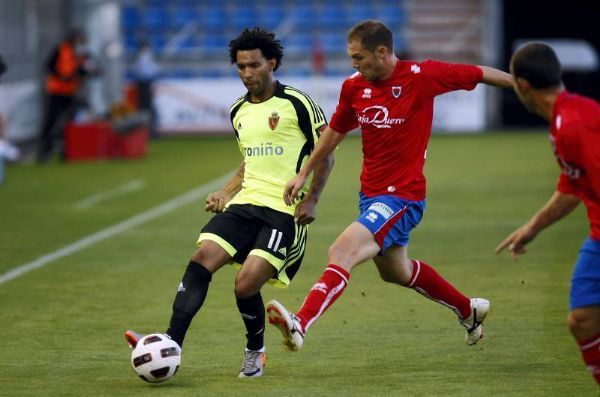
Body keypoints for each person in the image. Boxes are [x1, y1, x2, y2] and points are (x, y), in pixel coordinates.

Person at [266, 20, 514, 352]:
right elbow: (334, 133)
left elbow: (479, 72)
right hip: (371, 196)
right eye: (351, 58)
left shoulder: (422, 76)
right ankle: (469, 310)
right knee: (396, 271)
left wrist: (525, 88)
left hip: (404, 197)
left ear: (382, 53)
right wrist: (305, 178)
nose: (354, 65)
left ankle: (301, 323)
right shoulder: (354, 87)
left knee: (342, 250)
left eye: (359, 57)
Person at [124, 27, 334, 378]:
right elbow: (248, 161)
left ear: (272, 63)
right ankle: (171, 343)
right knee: (201, 257)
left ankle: (255, 350)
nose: (247, 73)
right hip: (245, 204)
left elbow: (325, 154)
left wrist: (311, 198)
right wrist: (226, 191)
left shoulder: (298, 103)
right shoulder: (238, 110)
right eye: (240, 67)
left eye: (253, 65)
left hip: (282, 211)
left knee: (246, 284)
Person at [495, 42, 600, 384]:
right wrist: (532, 228)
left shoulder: (574, 124)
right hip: (597, 236)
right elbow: (573, 186)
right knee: (582, 319)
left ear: (521, 85)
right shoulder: (562, 120)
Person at [37, 29, 93, 163]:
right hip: (56, 91)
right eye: (79, 39)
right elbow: (49, 66)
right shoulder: (61, 49)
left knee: (69, 123)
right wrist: (61, 76)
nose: (80, 43)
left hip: (70, 92)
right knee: (51, 122)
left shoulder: (80, 54)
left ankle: (67, 151)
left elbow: (82, 71)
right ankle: (45, 152)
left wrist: (88, 72)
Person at [133, 40, 160, 138]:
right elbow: (146, 72)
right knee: (148, 109)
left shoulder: (140, 57)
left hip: (143, 84)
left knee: (145, 108)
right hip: (145, 84)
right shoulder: (144, 57)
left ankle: (146, 130)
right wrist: (156, 69)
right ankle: (150, 131)